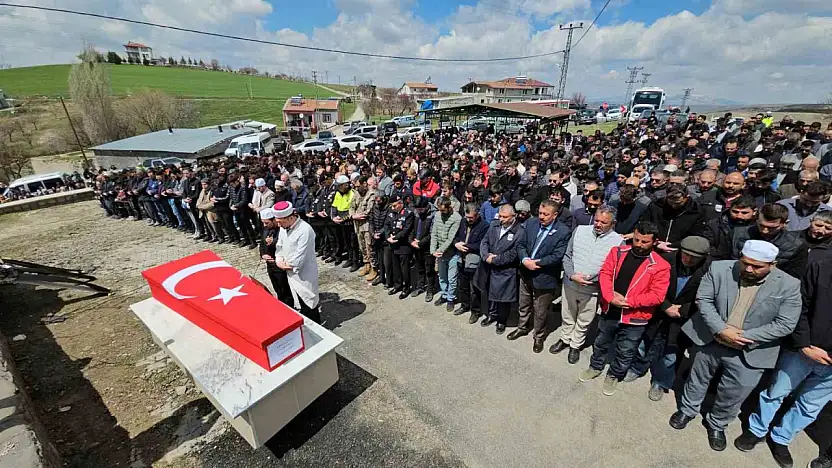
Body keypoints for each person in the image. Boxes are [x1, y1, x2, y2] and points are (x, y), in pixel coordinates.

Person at [670, 240, 801, 452]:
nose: (749, 269)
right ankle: (687, 409)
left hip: (751, 349)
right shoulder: (720, 268)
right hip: (711, 338)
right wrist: (722, 330)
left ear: (773, 264)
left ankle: (717, 424)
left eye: (757, 266)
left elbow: (785, 323)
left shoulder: (789, 285)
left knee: (734, 392)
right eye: (745, 263)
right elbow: (704, 299)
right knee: (697, 378)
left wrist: (744, 336)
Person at [734, 243, 832, 468]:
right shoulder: (821, 268)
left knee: (810, 406)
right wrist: (805, 344)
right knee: (775, 393)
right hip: (804, 351)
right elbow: (800, 308)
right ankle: (756, 430)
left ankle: (781, 439)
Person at [579, 221, 671, 396]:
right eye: (636, 240)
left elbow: (657, 295)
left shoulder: (661, 265)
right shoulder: (618, 252)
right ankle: (595, 366)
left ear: (654, 242)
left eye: (645, 242)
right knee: (601, 342)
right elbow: (605, 274)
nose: (639, 245)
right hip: (610, 310)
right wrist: (610, 296)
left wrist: (629, 301)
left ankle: (614, 375)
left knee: (626, 350)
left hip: (635, 317)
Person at [623, 236, 711, 401]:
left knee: (671, 354)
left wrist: (684, 310)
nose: (688, 259)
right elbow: (650, 284)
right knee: (645, 343)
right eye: (685, 254)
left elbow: (708, 297)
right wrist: (666, 306)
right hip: (658, 310)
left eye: (694, 257)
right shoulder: (666, 260)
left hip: (684, 318)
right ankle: (637, 368)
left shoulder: (709, 271)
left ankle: (661, 381)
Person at [554, 205, 625, 363]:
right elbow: (567, 255)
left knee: (585, 319)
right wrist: (572, 275)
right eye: (597, 220)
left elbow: (612, 269)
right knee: (567, 314)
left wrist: (591, 280)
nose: (598, 224)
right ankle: (565, 339)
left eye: (603, 222)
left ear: (613, 224)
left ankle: (576, 344)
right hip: (571, 283)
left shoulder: (619, 242)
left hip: (592, 289)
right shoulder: (580, 230)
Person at [510, 200, 571, 352]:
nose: (541, 217)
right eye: (540, 213)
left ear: (555, 215)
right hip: (525, 273)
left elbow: (558, 255)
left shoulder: (563, 231)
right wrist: (524, 260)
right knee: (524, 304)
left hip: (544, 276)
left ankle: (538, 336)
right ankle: (522, 327)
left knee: (540, 310)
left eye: (546, 214)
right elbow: (521, 244)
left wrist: (537, 263)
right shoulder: (531, 223)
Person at [474, 204, 523, 335]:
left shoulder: (519, 232)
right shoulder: (494, 225)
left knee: (503, 297)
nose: (501, 219)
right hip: (489, 266)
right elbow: (484, 242)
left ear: (513, 216)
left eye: (505, 217)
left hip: (505, 270)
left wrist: (496, 259)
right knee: (490, 292)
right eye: (500, 216)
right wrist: (485, 256)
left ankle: (502, 320)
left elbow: (514, 253)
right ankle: (492, 314)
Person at [271, 201, 322, 324]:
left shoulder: (305, 230)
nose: (278, 225)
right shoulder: (284, 227)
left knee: (309, 302)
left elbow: (300, 256)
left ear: (290, 217)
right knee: (298, 300)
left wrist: (287, 265)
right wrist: (278, 260)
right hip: (289, 272)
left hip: (304, 274)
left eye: (280, 221)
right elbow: (280, 246)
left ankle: (317, 328)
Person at [732, 203, 808, 279]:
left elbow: (793, 277)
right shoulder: (737, 235)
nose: (765, 231)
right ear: (757, 219)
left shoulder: (796, 246)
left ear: (785, 223)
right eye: (761, 225)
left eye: (771, 228)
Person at [454, 203, 490, 322]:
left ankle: (476, 311)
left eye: (471, 218)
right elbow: (456, 236)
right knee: (463, 286)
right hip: (461, 258)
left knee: (474, 288)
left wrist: (466, 246)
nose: (469, 220)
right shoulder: (463, 222)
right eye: (467, 217)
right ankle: (465, 305)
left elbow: (482, 244)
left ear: (477, 215)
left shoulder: (484, 225)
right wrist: (456, 244)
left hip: (474, 261)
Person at [431, 197, 462, 310]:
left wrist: (439, 250)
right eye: (440, 210)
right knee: (442, 276)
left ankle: (451, 298)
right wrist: (433, 250)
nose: (441, 212)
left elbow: (450, 239)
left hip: (452, 253)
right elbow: (434, 233)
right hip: (440, 253)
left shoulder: (457, 218)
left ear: (449, 207)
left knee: (452, 278)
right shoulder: (437, 215)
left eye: (443, 210)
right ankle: (444, 295)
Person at [259, 207, 293, 306]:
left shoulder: (282, 229)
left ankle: (290, 308)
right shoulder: (265, 229)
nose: (265, 225)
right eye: (263, 223)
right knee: (277, 288)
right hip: (270, 266)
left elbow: (285, 246)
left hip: (280, 265)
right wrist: (263, 255)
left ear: (274, 220)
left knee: (285, 290)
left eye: (267, 223)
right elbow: (261, 244)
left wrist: (272, 243)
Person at [385, 193, 415, 299]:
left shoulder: (408, 213)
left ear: (400, 203)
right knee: (395, 267)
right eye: (392, 206)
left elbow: (406, 230)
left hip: (403, 245)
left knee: (404, 268)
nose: (392, 208)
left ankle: (406, 288)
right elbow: (387, 225)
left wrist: (395, 238)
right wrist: (388, 236)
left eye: (394, 206)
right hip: (393, 245)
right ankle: (397, 285)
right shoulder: (391, 212)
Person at [410, 196, 436, 301]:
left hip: (427, 246)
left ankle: (430, 289)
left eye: (421, 209)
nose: (419, 211)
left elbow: (432, 234)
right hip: (416, 244)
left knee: (429, 269)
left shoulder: (433, 215)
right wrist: (411, 240)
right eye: (417, 209)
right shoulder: (416, 213)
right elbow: (412, 228)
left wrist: (420, 243)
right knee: (419, 267)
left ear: (427, 207)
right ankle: (420, 286)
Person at [349, 176, 375, 277]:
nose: (356, 188)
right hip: (358, 225)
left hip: (367, 225)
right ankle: (366, 265)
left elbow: (368, 211)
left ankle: (374, 267)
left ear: (364, 184)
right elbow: (351, 206)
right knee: (362, 246)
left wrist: (356, 216)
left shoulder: (371, 194)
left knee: (369, 247)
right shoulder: (356, 194)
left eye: (358, 186)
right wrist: (352, 215)